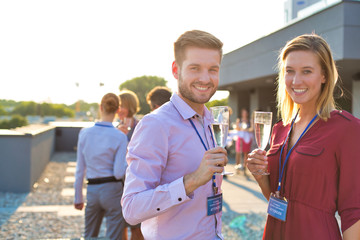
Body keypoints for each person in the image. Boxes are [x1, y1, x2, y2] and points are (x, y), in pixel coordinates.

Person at [246, 34, 360, 239]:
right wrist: (261, 177)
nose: (296, 81)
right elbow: (278, 199)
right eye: (289, 71)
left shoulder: (347, 129)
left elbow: (354, 211)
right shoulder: (279, 129)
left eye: (306, 71)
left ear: (324, 75)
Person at [121, 30, 228, 239]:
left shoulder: (208, 121)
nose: (205, 78)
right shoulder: (156, 124)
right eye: (195, 68)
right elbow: (131, 209)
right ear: (176, 70)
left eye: (213, 69)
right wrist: (191, 181)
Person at [74, 93, 128, 240]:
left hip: (92, 189)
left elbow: (80, 169)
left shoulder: (84, 133)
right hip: (112, 190)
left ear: (100, 107)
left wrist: (78, 197)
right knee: (114, 237)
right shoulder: (120, 136)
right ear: (117, 110)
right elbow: (118, 173)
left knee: (89, 235)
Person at [117, 89, 144, 240]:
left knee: (137, 228)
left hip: (136, 180)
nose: (118, 109)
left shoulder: (142, 126)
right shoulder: (114, 128)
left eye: (122, 105)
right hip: (118, 182)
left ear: (130, 106)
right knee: (119, 226)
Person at [234, 108, 253, 174]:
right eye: (243, 112)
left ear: (247, 114)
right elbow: (236, 128)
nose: (244, 114)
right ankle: (237, 166)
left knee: (246, 153)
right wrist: (241, 128)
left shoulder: (249, 121)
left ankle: (244, 167)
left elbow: (252, 129)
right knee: (238, 152)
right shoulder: (239, 120)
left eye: (245, 113)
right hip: (240, 137)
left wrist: (246, 130)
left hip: (247, 138)